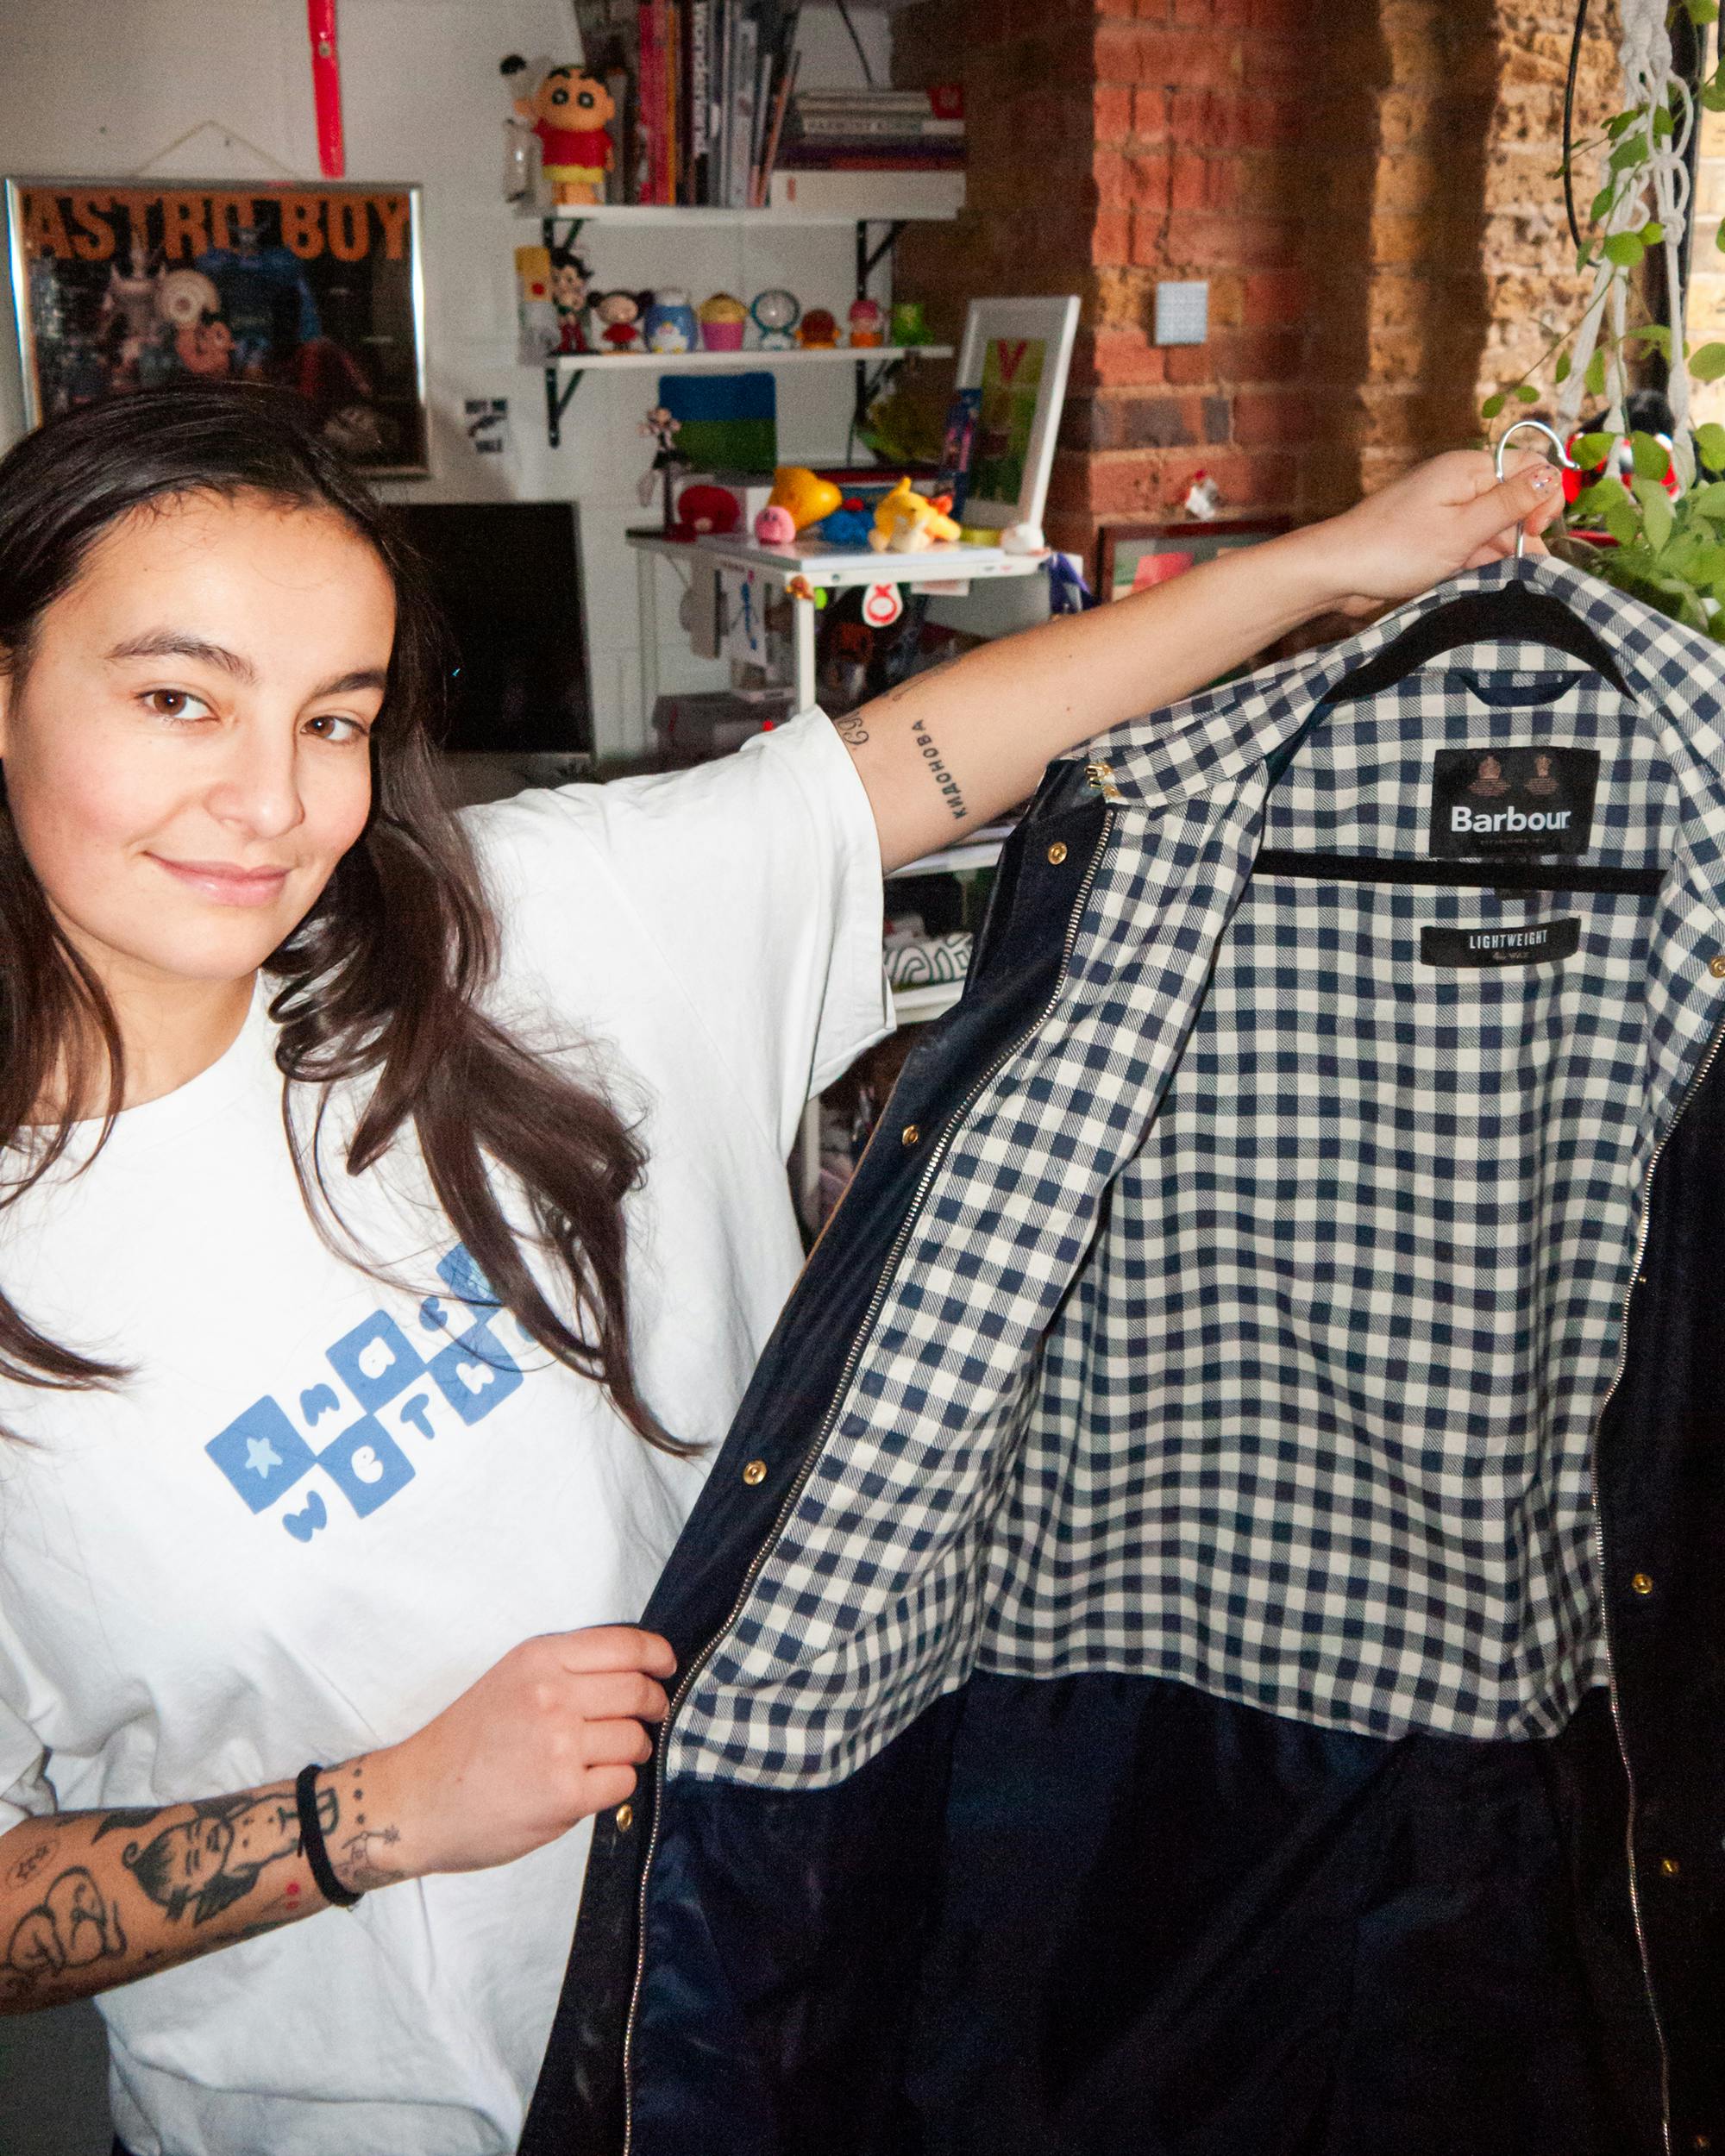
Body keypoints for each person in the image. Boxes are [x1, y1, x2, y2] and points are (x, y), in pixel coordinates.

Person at [0, 382, 1558, 2155]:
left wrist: (1346, 557)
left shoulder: (535, 927)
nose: (272, 800)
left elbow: (912, 760)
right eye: (176, 696)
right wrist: (382, 1811)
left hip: (797, 2013)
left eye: (334, 716)